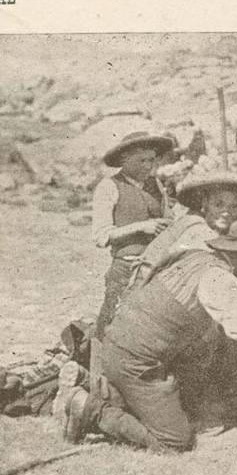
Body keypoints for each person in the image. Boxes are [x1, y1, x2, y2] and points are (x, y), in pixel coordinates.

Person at [60, 217, 237, 452]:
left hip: (124, 346)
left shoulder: (197, 257)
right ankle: (91, 408)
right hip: (137, 362)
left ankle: (96, 384)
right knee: (174, 440)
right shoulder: (218, 279)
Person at [90, 131, 177, 339]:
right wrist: (141, 227)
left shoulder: (155, 184)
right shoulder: (109, 186)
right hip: (126, 267)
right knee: (113, 322)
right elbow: (101, 235)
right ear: (124, 160)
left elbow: (168, 217)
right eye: (141, 161)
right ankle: (98, 364)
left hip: (157, 266)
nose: (148, 166)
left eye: (151, 160)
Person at [127, 171, 237, 286]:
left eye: (233, 207)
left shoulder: (220, 233)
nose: (226, 212)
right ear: (205, 204)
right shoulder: (195, 228)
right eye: (218, 205)